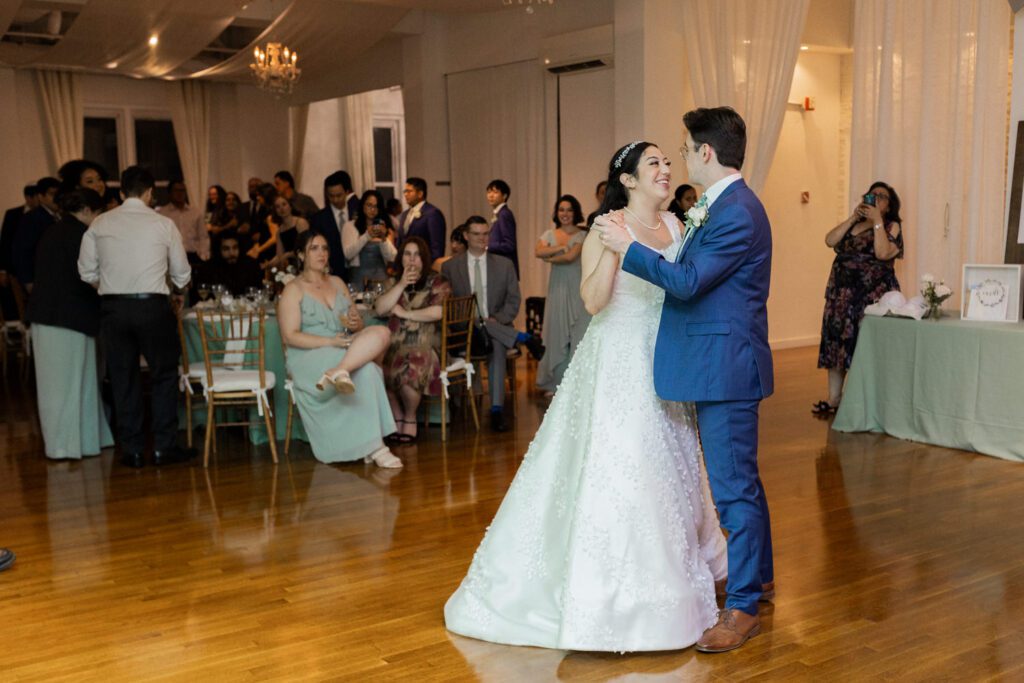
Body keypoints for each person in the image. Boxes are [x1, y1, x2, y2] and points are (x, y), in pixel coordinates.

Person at [445, 141, 727, 652]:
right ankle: (614, 598)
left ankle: (680, 575)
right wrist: (618, 250)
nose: (666, 170)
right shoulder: (603, 229)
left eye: (668, 162)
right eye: (654, 165)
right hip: (616, 361)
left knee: (673, 465)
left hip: (664, 359)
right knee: (624, 465)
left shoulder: (679, 228)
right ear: (629, 180)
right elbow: (594, 302)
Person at [595, 107, 775, 653]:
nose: (680, 156)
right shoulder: (717, 207)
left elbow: (690, 281)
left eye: (685, 147)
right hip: (717, 364)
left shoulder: (736, 211)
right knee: (742, 482)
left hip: (726, 370)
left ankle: (742, 608)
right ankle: (759, 578)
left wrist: (629, 248)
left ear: (706, 153)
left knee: (733, 491)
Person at [78, 165, 193, 468]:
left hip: (113, 308)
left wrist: (109, 288)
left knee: (122, 376)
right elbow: (181, 272)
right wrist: (178, 289)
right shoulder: (163, 224)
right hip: (153, 307)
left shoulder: (100, 223)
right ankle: (163, 447)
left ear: (120, 192)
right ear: (149, 192)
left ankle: (132, 450)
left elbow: (85, 271)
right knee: (164, 374)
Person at [278, 231, 401, 468]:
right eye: (314, 248)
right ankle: (376, 446)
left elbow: (355, 323)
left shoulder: (337, 282)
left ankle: (339, 370)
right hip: (309, 354)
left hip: (341, 349)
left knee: (382, 333)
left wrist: (357, 323)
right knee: (368, 371)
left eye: (324, 248)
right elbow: (289, 336)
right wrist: (329, 342)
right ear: (301, 254)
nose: (321, 253)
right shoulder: (293, 290)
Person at [27, 188, 113, 459]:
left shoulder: (56, 231)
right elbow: (89, 276)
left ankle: (83, 442)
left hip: (61, 317)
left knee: (73, 385)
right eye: (99, 213)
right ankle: (65, 446)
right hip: (63, 318)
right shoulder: (78, 235)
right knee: (65, 387)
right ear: (87, 210)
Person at [815, 182, 903, 415]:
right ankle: (834, 399)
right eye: (871, 195)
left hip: (870, 296)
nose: (874, 198)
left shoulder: (891, 226)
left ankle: (863, 400)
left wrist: (876, 221)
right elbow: (830, 240)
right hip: (841, 293)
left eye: (881, 196)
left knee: (862, 346)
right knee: (836, 344)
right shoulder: (853, 223)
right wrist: (854, 217)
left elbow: (883, 253)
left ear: (888, 205)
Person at [441, 216, 523, 432]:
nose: (482, 238)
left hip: (495, 326)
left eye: (486, 233)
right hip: (465, 331)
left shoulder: (504, 265)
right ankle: (522, 338)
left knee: (496, 346)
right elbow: (447, 305)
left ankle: (496, 410)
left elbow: (514, 300)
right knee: (489, 332)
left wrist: (499, 319)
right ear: (466, 236)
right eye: (476, 234)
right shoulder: (450, 267)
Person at [374, 237, 451, 442]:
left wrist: (405, 314)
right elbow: (380, 308)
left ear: (424, 259)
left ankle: (409, 417)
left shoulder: (437, 282)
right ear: (401, 258)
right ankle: (397, 414)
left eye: (417, 255)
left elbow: (438, 312)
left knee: (411, 364)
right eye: (407, 254)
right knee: (377, 365)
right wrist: (401, 284)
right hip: (394, 343)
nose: (412, 260)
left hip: (426, 343)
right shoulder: (392, 282)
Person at [534, 194, 591, 397]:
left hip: (577, 289)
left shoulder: (583, 235)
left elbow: (569, 257)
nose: (564, 214)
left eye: (568, 210)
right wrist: (558, 248)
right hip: (557, 290)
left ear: (575, 212)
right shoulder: (550, 233)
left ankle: (576, 385)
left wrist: (550, 255)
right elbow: (537, 251)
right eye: (561, 210)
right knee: (557, 334)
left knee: (578, 335)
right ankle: (556, 383)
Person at [11, 176, 60, 288]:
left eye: (59, 193)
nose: (57, 198)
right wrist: (28, 281)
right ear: (41, 197)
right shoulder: (31, 218)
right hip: (43, 277)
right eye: (52, 194)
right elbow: (22, 251)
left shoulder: (63, 215)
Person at [343, 189, 397, 289]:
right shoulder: (350, 226)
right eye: (369, 205)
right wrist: (367, 236)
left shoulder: (385, 228)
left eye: (376, 206)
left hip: (381, 279)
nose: (372, 209)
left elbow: (392, 257)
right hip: (358, 279)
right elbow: (348, 254)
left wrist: (383, 239)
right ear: (362, 205)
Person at [0, 184, 39, 316]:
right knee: (20, 303)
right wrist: (3, 270)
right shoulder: (13, 214)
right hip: (16, 268)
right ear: (28, 198)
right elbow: (5, 242)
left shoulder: (43, 215)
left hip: (38, 267)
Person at [310, 171, 356, 279]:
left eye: (339, 195)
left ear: (347, 192)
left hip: (357, 271)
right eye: (331, 196)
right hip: (332, 272)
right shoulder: (318, 218)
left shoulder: (358, 211)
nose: (335, 200)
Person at [158, 179, 209, 265]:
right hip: (171, 258)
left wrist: (203, 255)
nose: (180, 193)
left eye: (182, 190)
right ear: (170, 193)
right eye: (176, 190)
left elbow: (203, 236)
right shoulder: (162, 214)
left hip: (193, 257)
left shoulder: (195, 212)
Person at [197, 234, 264, 296]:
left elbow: (258, 293)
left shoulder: (251, 265)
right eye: (226, 249)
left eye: (235, 248)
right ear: (218, 250)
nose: (232, 253)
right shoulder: (208, 268)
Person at [397, 177, 446, 261]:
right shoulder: (404, 214)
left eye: (409, 191)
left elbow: (436, 246)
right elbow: (400, 242)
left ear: (420, 193)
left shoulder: (432, 213)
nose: (405, 194)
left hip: (424, 264)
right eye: (405, 191)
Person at [266, 194, 309, 268]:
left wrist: (288, 254)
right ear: (275, 211)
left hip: (306, 263)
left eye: (284, 204)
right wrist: (268, 264)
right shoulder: (279, 232)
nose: (282, 208)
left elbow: (306, 247)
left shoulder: (300, 222)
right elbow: (279, 255)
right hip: (291, 266)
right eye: (278, 207)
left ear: (290, 206)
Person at [486, 179, 518, 276]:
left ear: (504, 196)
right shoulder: (499, 213)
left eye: (495, 192)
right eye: (489, 192)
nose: (491, 195)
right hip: (499, 266)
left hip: (503, 266)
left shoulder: (504, 214)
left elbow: (509, 245)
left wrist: (487, 246)